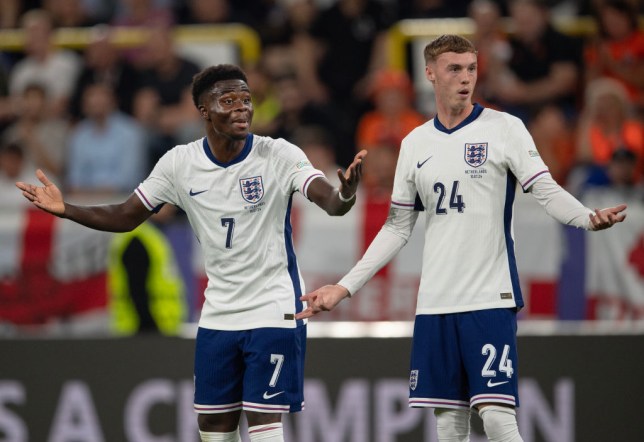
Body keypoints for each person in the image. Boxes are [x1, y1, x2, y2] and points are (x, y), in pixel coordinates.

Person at [295, 35, 627, 442]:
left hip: (488, 296)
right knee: (449, 425)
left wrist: (587, 219)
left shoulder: (505, 128)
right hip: (436, 302)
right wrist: (344, 288)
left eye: (471, 68)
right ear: (431, 74)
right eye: (454, 69)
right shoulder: (416, 143)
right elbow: (398, 226)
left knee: (496, 417)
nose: (465, 78)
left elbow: (544, 188)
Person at [16, 63, 367, 442]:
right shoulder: (179, 164)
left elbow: (329, 201)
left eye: (246, 100)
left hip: (274, 306)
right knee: (214, 426)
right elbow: (124, 216)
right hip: (219, 311)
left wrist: (345, 192)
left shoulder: (277, 154)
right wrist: (67, 209)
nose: (241, 108)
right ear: (204, 110)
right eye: (228, 100)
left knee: (264, 420)